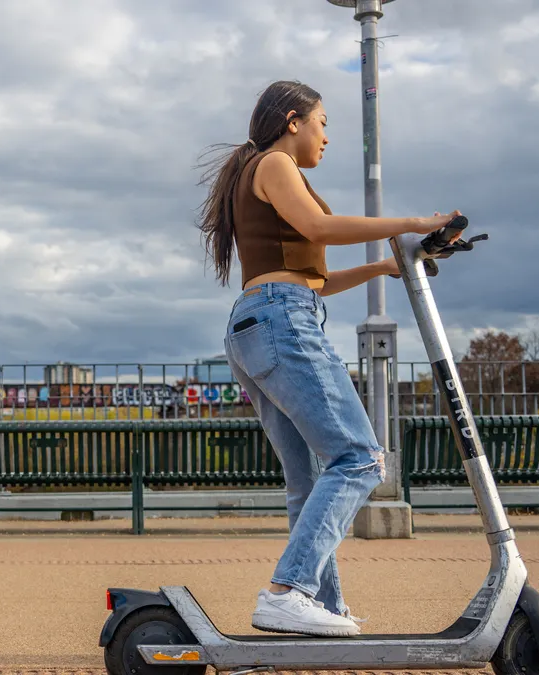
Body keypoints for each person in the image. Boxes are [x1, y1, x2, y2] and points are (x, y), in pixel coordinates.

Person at [196, 80, 460, 637]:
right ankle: (288, 591)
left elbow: (310, 278)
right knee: (362, 458)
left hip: (261, 322)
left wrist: (385, 267)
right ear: (293, 120)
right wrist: (411, 223)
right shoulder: (274, 165)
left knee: (310, 479)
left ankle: (321, 608)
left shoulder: (261, 173)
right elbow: (319, 229)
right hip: (280, 321)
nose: (327, 136)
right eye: (322, 123)